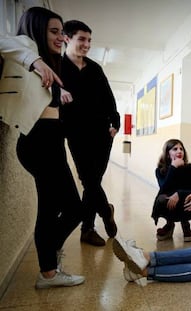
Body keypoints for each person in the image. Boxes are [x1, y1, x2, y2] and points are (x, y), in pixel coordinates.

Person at [0, 7, 84, 289]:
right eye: (54, 31)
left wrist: (60, 93)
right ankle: (49, 262)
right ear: (37, 30)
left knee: (50, 210)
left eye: (62, 32)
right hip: (38, 144)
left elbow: (39, 97)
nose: (61, 37)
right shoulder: (25, 47)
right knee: (74, 209)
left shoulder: (52, 64)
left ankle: (48, 267)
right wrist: (34, 59)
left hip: (51, 143)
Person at [60, 20, 120, 246]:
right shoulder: (58, 66)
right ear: (67, 38)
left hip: (102, 134)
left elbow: (108, 98)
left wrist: (115, 121)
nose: (87, 45)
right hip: (75, 133)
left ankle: (87, 229)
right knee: (89, 180)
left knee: (92, 181)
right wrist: (59, 90)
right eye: (81, 39)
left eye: (89, 40)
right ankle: (106, 211)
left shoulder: (95, 68)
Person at [151, 138, 191, 242]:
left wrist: (179, 194)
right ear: (167, 154)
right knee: (161, 199)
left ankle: (185, 223)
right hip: (170, 202)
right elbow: (163, 189)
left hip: (186, 200)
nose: (179, 151)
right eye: (175, 149)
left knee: (188, 198)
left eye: (181, 149)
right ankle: (170, 224)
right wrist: (173, 168)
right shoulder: (160, 171)